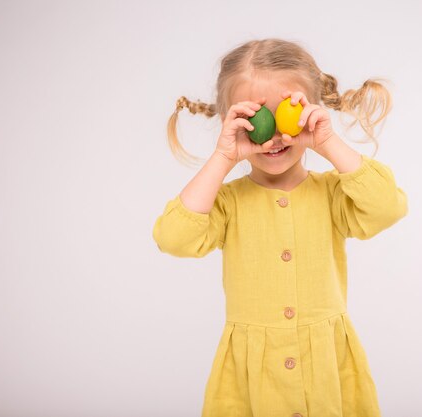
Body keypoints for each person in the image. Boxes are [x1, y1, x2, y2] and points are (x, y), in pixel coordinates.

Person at [153, 38, 408, 417]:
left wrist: (326, 141)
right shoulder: (227, 203)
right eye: (257, 118)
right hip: (252, 382)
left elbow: (388, 207)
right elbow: (172, 237)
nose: (273, 136)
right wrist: (224, 156)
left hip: (326, 373)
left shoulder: (333, 194)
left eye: (284, 113)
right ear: (232, 122)